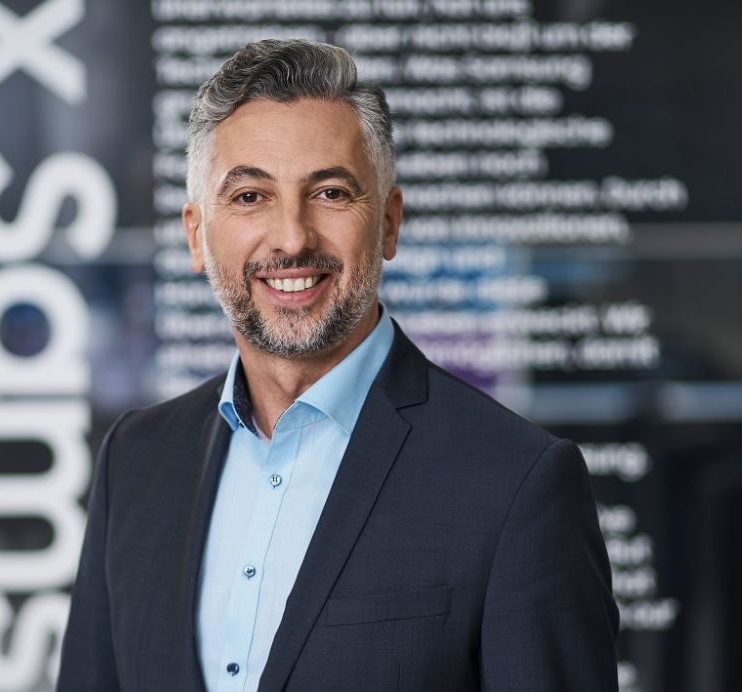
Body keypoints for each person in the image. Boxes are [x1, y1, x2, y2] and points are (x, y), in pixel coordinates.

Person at [58, 39, 618, 691]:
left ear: (389, 223)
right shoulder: (136, 460)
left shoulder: (516, 482)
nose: (292, 237)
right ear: (196, 234)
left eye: (329, 192)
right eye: (250, 196)